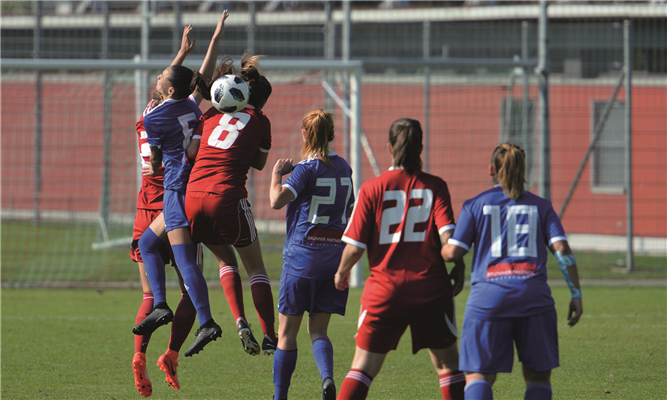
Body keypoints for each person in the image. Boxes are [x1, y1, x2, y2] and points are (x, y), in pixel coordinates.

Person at [130, 15, 228, 396]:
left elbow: (181, 82)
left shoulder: (148, 119)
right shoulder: (183, 108)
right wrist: (199, 47)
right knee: (188, 281)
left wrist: (185, 51)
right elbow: (188, 85)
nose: (155, 83)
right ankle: (172, 349)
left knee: (151, 294)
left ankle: (144, 356)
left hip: (153, 204)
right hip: (180, 197)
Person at [334, 118, 466, 400]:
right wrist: (460, 265)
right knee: (447, 366)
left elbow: (355, 248)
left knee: (363, 366)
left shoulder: (371, 188)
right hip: (431, 288)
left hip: (385, 290)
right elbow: (449, 241)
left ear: (389, 147)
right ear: (420, 148)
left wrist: (342, 272)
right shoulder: (436, 186)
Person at [441, 143, 584, 400]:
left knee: (479, 375)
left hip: (488, 299)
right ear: (523, 169)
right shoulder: (541, 206)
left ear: (491, 170)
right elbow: (561, 248)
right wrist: (576, 292)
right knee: (538, 377)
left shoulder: (475, 204)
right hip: (534, 297)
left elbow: (453, 253)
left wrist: (442, 249)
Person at [184, 51, 278, 356]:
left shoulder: (209, 114)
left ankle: (239, 320)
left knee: (225, 261)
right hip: (227, 197)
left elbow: (192, 152)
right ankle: (269, 336)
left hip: (192, 197)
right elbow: (260, 164)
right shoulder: (260, 120)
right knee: (257, 268)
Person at [268, 109, 354, 400]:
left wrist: (276, 175)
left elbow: (276, 201)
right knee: (318, 330)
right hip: (334, 260)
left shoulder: (305, 169)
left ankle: (281, 397)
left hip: (302, 258)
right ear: (331, 134)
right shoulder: (344, 167)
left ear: (305, 134)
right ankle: (327, 379)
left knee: (287, 333)